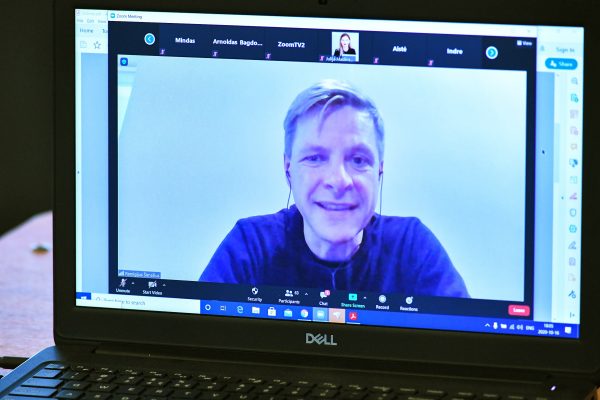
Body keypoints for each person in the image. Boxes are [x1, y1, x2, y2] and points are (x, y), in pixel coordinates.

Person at [200, 80, 469, 298]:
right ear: (288, 169)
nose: (338, 181)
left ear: (379, 171)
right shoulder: (250, 245)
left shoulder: (412, 247)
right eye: (315, 158)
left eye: (358, 160)